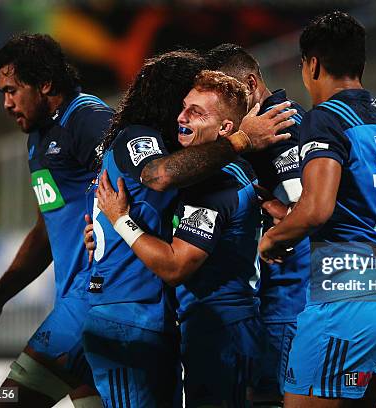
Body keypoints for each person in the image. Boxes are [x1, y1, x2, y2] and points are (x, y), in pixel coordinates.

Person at [258, 11, 376, 406]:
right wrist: (290, 217)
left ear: (312, 65)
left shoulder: (326, 119)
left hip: (350, 295)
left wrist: (271, 240)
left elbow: (318, 208)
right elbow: (356, 207)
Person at [95, 70, 266, 407]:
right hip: (212, 327)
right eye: (184, 107)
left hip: (223, 333)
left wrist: (121, 222)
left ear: (226, 130)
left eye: (197, 112)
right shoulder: (210, 176)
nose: (182, 117)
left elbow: (175, 266)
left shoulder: (214, 184)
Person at [0, 34, 112, 407]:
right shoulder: (38, 139)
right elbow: (47, 229)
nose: (7, 103)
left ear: (45, 83)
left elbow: (139, 184)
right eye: (1, 93)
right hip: (74, 301)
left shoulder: (87, 119)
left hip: (94, 297)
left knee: (11, 402)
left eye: (12, 90)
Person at [82, 51, 205, 407]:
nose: (189, 114)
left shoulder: (164, 148)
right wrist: (238, 141)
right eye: (187, 102)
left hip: (148, 312)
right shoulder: (138, 136)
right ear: (169, 100)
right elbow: (160, 175)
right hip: (125, 313)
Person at [205, 43, 309, 405]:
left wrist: (273, 236)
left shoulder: (280, 122)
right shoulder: (251, 132)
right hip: (269, 297)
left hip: (286, 295)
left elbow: (304, 205)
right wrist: (263, 199)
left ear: (250, 84)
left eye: (231, 95)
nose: (224, 109)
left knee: (269, 397)